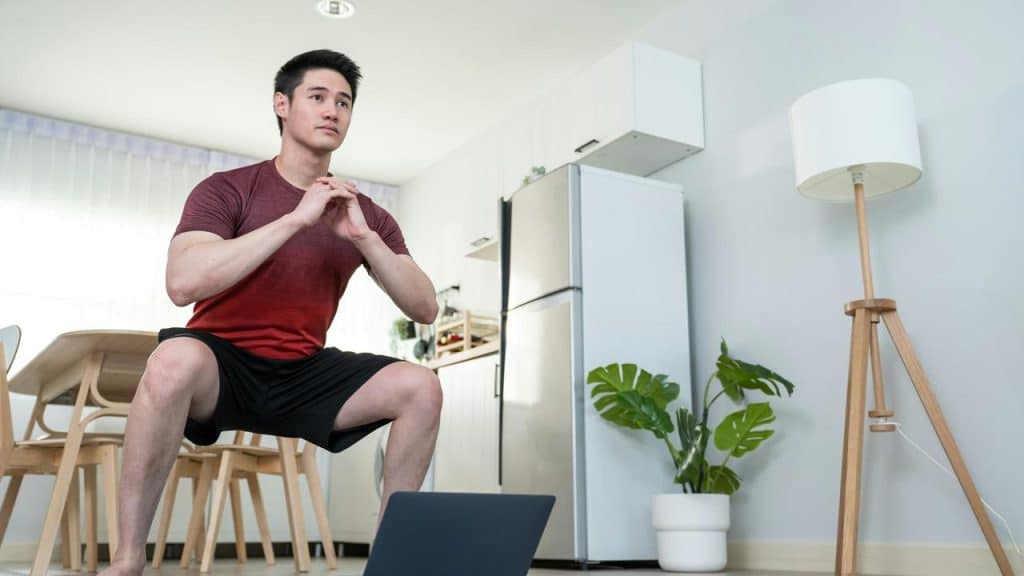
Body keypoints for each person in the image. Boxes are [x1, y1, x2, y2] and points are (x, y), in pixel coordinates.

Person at [101, 49, 441, 576]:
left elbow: (424, 307)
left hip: (303, 371)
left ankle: (391, 563)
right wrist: (294, 220)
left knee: (422, 386)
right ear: (282, 105)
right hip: (222, 368)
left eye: (344, 102)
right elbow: (182, 283)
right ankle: (128, 559)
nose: (333, 110)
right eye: (318, 97)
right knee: (171, 360)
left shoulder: (365, 213)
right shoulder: (228, 189)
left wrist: (365, 240)